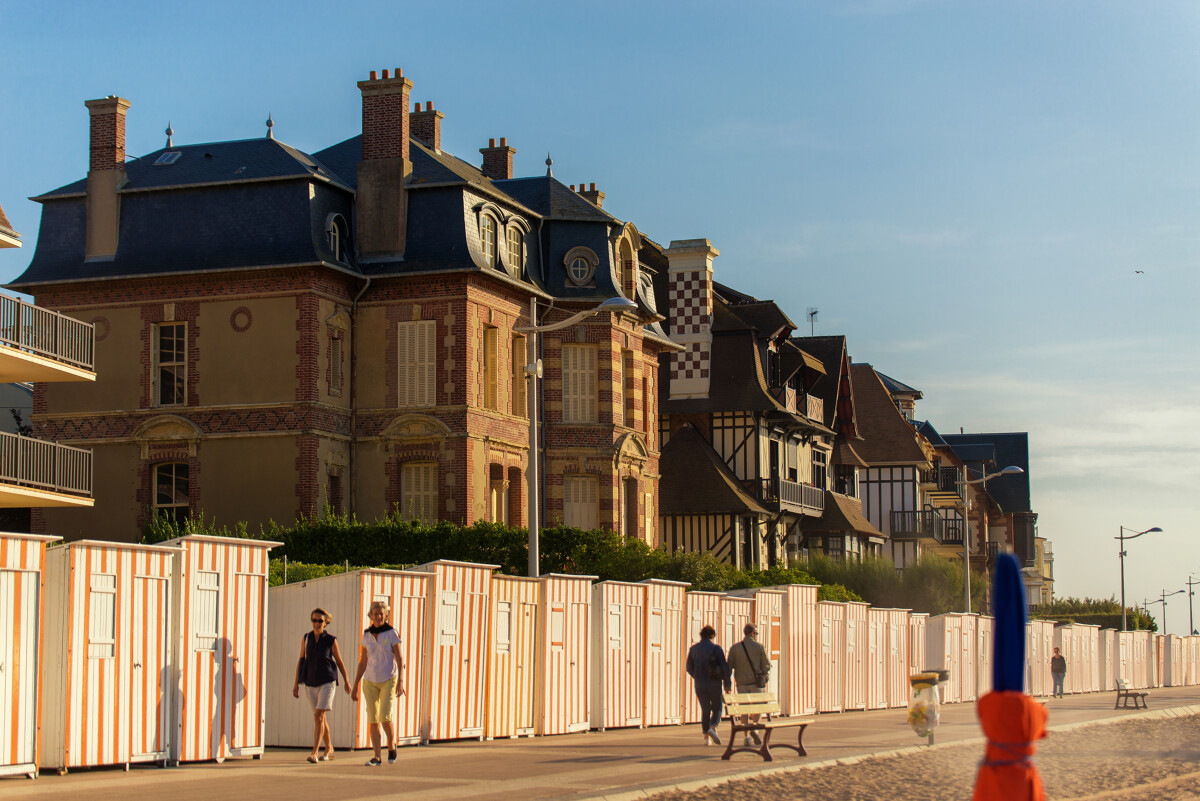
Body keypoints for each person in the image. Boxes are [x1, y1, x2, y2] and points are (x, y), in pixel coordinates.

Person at [292, 607, 351, 763]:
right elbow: (301, 660)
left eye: (320, 621)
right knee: (320, 718)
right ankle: (329, 746)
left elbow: (339, 661)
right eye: (314, 620)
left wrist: (347, 681)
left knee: (319, 716)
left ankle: (314, 752)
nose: (317, 623)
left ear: (325, 623)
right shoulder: (306, 638)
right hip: (310, 682)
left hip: (327, 681)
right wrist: (296, 683)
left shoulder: (331, 640)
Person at [350, 600, 405, 766]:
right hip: (370, 681)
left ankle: (391, 744)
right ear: (371, 616)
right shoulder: (366, 635)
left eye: (382, 614)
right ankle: (377, 756)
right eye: (376, 614)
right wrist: (355, 685)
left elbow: (399, 657)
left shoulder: (391, 633)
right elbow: (363, 661)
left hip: (388, 678)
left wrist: (401, 681)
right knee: (373, 719)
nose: (379, 616)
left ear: (385, 615)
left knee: (385, 717)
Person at [685, 625, 731, 746]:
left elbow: (689, 668)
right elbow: (724, 667)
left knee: (705, 709)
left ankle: (706, 739)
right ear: (712, 636)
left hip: (699, 684)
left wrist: (697, 676)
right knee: (717, 707)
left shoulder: (693, 649)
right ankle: (713, 727)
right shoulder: (716, 649)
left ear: (701, 635)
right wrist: (727, 684)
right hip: (714, 683)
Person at [726, 623, 771, 746]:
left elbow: (729, 666)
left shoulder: (735, 648)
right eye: (756, 633)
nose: (756, 636)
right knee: (758, 707)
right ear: (752, 633)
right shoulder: (760, 647)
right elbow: (766, 665)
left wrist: (727, 684)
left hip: (741, 683)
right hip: (756, 683)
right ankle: (755, 729)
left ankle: (746, 737)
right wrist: (765, 677)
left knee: (744, 709)